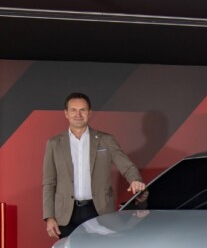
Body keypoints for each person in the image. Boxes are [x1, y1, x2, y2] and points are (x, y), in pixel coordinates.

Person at [43, 92, 146, 239]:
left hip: (99, 211)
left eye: (82, 110)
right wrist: (49, 217)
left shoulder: (106, 140)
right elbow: (49, 183)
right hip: (65, 215)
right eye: (73, 110)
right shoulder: (54, 143)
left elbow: (127, 166)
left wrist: (135, 180)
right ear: (66, 113)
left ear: (90, 113)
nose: (78, 114)